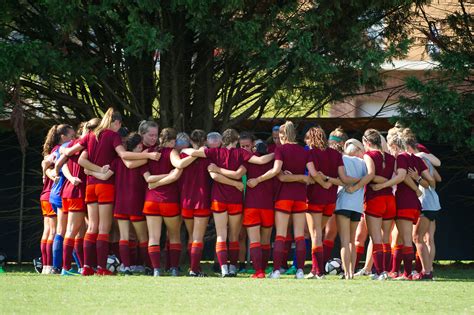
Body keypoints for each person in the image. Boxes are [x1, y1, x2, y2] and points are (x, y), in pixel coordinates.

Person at [65, 108, 160, 276]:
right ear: (116, 123)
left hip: (90, 187)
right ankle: (101, 268)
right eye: (119, 125)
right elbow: (123, 155)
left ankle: (87, 266)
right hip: (105, 186)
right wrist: (150, 156)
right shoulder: (112, 135)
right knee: (103, 228)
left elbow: (80, 159)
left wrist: (96, 170)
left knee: (92, 227)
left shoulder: (91, 135)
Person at [183, 129, 274, 277]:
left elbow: (193, 154)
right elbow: (261, 160)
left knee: (221, 236)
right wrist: (277, 153)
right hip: (235, 200)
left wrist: (184, 149)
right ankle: (233, 267)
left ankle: (224, 268)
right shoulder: (241, 153)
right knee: (233, 236)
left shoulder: (215, 153)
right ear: (236, 140)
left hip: (218, 199)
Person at [247, 121, 309, 279]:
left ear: (282, 135)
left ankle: (276, 270)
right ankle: (300, 270)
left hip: (284, 197)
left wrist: (258, 180)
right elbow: (312, 175)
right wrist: (301, 177)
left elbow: (275, 171)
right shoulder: (303, 151)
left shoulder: (280, 149)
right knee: (299, 235)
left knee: (280, 234)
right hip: (301, 196)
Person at [371, 132, 434, 280]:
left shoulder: (400, 158)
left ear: (394, 146)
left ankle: (407, 273)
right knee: (401, 238)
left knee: (405, 239)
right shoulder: (417, 159)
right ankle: (396, 271)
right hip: (415, 205)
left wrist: (383, 186)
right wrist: (418, 180)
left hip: (404, 202)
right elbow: (430, 180)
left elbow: (402, 176)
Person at [86, 133, 150, 275]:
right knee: (143, 237)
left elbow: (104, 176)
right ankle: (149, 266)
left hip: (120, 203)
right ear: (139, 146)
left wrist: (90, 171)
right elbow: (148, 179)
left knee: (123, 237)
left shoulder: (116, 161)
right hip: (136, 203)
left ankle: (126, 267)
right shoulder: (143, 162)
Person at [142, 128, 196, 276]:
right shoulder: (172, 152)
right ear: (173, 141)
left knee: (153, 236)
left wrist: (155, 183)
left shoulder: (149, 153)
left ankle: (156, 269)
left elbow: (148, 179)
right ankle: (173, 268)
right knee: (174, 235)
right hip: (169, 200)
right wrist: (195, 154)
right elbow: (179, 165)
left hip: (151, 200)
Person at [304, 126, 356, 278]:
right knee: (319, 233)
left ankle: (318, 271)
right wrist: (328, 182)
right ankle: (316, 269)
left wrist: (322, 183)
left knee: (315, 235)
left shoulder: (310, 153)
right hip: (330, 200)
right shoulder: (335, 154)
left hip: (314, 199)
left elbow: (313, 173)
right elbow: (343, 179)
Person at [348, 129, 397, 280]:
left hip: (374, 199)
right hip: (390, 199)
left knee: (376, 238)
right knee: (386, 239)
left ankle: (379, 272)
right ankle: (386, 271)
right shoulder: (391, 157)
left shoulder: (369, 155)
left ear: (367, 143)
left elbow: (370, 174)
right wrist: (384, 181)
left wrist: (356, 187)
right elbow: (395, 176)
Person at [60, 118, 100, 275]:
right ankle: (65, 268)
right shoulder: (86, 145)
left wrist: (67, 177)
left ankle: (83, 266)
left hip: (69, 190)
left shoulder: (71, 145)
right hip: (76, 192)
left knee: (79, 232)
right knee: (72, 230)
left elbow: (60, 164)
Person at [404, 131, 441, 280]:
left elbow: (431, 181)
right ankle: (429, 270)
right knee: (428, 238)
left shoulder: (419, 159)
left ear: (408, 147)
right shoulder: (426, 159)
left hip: (426, 204)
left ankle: (426, 272)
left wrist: (417, 178)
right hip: (433, 202)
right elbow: (438, 178)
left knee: (417, 237)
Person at [179, 130, 212, 277]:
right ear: (205, 141)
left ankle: (195, 267)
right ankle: (194, 269)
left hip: (186, 200)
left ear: (191, 141)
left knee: (192, 236)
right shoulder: (208, 155)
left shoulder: (183, 154)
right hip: (202, 200)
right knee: (198, 237)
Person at [48, 124, 76, 274]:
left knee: (65, 230)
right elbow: (51, 165)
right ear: (63, 137)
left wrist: (49, 172)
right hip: (61, 193)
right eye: (72, 136)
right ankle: (58, 267)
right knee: (64, 230)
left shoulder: (59, 148)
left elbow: (47, 164)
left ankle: (59, 266)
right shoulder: (67, 146)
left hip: (56, 192)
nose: (74, 138)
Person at [39, 125, 62, 274]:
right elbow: (46, 164)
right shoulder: (58, 150)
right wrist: (48, 173)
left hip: (44, 195)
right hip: (51, 194)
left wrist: (45, 173)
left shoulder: (51, 151)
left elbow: (45, 164)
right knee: (52, 231)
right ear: (62, 136)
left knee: (47, 231)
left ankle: (46, 266)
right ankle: (49, 265)